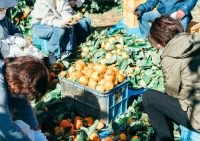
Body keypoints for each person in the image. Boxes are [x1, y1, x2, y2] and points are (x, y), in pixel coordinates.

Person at [142, 14, 200, 141]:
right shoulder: (197, 38)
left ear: (160, 40)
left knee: (149, 98)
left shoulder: (170, 56)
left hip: (198, 118)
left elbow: (172, 93)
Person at [0, 56, 49, 140]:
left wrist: (36, 131)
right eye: (23, 92)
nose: (22, 95)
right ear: (16, 84)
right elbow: (5, 126)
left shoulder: (13, 79)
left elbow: (23, 104)